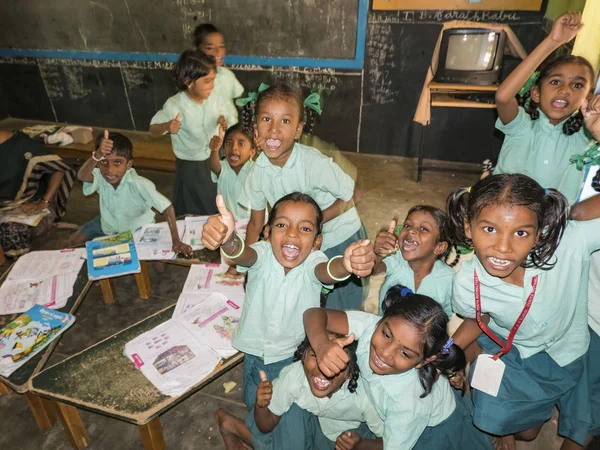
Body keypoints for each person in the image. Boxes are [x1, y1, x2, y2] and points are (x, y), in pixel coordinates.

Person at [201, 192, 375, 450]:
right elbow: (242, 253)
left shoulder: (314, 263)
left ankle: (233, 427)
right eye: (282, 225)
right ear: (268, 232)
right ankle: (235, 427)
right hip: (255, 362)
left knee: (294, 433)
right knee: (263, 417)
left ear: (317, 242)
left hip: (295, 364)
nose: (292, 234)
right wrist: (228, 240)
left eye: (304, 228)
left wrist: (346, 264)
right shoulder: (261, 255)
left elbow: (328, 272)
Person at [447, 173, 599, 450]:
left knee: (565, 427)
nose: (503, 248)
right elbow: (478, 318)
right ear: (469, 228)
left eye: (521, 232)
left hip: (569, 352)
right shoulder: (466, 284)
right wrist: (446, 350)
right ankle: (514, 417)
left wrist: (579, 211)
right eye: (489, 229)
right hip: (513, 352)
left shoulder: (570, 244)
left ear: (539, 233)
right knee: (514, 428)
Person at [303, 286, 493, 450]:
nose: (385, 353)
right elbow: (314, 314)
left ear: (423, 362)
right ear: (382, 319)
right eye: (386, 335)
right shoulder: (371, 326)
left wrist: (361, 445)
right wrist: (321, 345)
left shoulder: (408, 405)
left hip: (436, 433)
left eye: (405, 353)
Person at [239, 82, 368, 311]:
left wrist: (314, 222)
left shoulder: (313, 164)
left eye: (285, 121)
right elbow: (256, 222)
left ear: (298, 130)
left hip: (340, 239)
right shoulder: (257, 172)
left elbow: (352, 194)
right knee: (308, 304)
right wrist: (247, 262)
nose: (274, 129)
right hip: (303, 240)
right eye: (266, 119)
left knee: (340, 309)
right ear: (256, 129)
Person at [493, 12, 599, 204]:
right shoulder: (521, 126)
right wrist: (553, 41)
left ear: (587, 98)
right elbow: (503, 97)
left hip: (548, 228)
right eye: (555, 81)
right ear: (536, 93)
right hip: (501, 217)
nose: (565, 90)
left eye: (577, 85)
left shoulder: (584, 137)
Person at [215, 335, 383, 450]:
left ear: (350, 372)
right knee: (291, 415)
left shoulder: (365, 394)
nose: (323, 368)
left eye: (337, 361)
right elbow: (266, 425)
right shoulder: (294, 376)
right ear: (303, 355)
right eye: (315, 355)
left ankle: (233, 426)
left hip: (352, 438)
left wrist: (360, 444)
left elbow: (392, 443)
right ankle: (232, 426)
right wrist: (261, 406)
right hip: (314, 427)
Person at [69, 131, 192, 256]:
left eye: (117, 163)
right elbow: (82, 176)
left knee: (158, 264)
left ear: (128, 165)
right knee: (74, 241)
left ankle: (156, 224)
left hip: (137, 227)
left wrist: (176, 241)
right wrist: (97, 155)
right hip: (108, 223)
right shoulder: (100, 176)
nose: (109, 170)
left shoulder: (139, 183)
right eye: (103, 162)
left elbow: (167, 208)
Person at [149, 50, 237, 216]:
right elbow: (152, 130)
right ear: (188, 82)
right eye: (207, 81)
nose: (212, 85)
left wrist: (223, 121)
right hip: (191, 167)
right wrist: (167, 126)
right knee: (194, 209)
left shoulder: (215, 98)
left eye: (213, 80)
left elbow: (226, 116)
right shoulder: (175, 105)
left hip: (215, 158)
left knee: (219, 201)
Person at [0, 130, 75, 257]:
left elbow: (59, 169)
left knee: (12, 232)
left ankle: (46, 226)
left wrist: (44, 202)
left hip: (26, 206)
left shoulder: (22, 146)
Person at [373, 206, 454, 317]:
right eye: (407, 225)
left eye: (424, 229)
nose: (411, 230)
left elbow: (445, 319)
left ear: (439, 247)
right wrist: (378, 255)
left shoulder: (449, 280)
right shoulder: (396, 258)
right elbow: (373, 269)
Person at [194, 23, 244, 122]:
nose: (218, 51)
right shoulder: (195, 80)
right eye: (210, 48)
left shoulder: (227, 75)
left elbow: (240, 100)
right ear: (198, 50)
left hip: (231, 131)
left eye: (221, 46)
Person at [209, 123, 256, 220]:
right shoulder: (224, 167)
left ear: (252, 152)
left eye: (241, 144)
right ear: (224, 149)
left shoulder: (255, 169)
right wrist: (214, 150)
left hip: (253, 223)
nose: (234, 148)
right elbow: (214, 167)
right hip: (229, 222)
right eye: (228, 143)